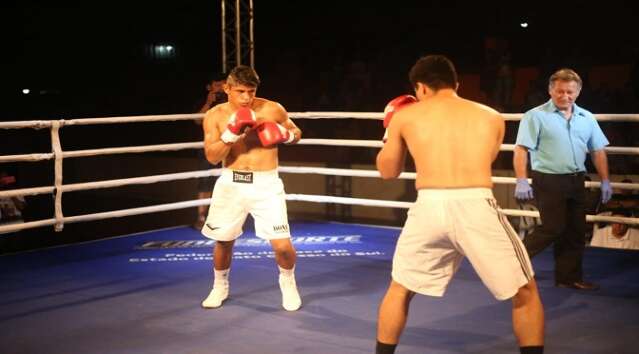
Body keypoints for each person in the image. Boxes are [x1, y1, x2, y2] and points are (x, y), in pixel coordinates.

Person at [375, 55, 544, 354]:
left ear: (420, 88)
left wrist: (390, 130)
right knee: (525, 292)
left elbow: (388, 172)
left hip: (428, 207)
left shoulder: (405, 117)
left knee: (400, 288)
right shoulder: (492, 116)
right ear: (456, 83)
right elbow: (485, 159)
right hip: (475, 204)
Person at [199, 65, 303, 311]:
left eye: (251, 91)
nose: (246, 98)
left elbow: (296, 132)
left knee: (283, 247)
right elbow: (212, 157)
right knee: (223, 241)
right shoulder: (214, 115)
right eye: (240, 91)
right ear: (227, 89)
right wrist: (231, 134)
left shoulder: (272, 108)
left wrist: (285, 136)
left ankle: (288, 284)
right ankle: (219, 286)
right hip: (231, 182)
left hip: (266, 184)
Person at [513, 68, 612, 291]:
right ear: (550, 90)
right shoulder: (535, 115)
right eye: (559, 91)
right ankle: (512, 261)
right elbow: (521, 150)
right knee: (553, 227)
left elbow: (598, 151)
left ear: (578, 92)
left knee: (576, 231)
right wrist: (521, 179)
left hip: (576, 179)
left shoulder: (586, 117)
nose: (564, 96)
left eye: (569, 92)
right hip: (548, 179)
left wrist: (606, 180)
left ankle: (569, 278)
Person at [193, 73, 227, 229]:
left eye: (223, 84)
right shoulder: (204, 101)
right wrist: (208, 103)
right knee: (205, 182)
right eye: (217, 84)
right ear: (209, 87)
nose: (220, 88)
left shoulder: (232, 100)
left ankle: (224, 217)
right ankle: (201, 217)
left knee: (229, 182)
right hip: (209, 147)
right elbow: (197, 120)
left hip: (229, 146)